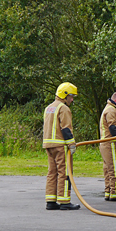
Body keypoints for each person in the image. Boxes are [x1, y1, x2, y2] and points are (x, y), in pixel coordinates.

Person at [43, 82, 80, 210]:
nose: (72, 99)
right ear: (65, 95)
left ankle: (51, 200)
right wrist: (71, 144)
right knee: (64, 172)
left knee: (52, 172)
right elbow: (66, 129)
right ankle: (64, 201)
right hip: (60, 145)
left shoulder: (49, 107)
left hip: (49, 144)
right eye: (71, 96)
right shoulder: (64, 108)